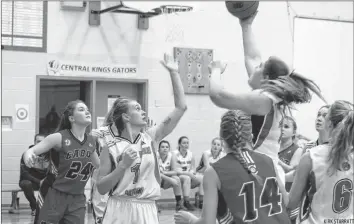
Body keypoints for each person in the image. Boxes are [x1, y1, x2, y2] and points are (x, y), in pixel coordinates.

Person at [207, 12, 325, 186]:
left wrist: (215, 70)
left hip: (257, 172)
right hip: (264, 169)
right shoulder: (270, 96)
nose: (254, 68)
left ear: (265, 78)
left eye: (259, 68)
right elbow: (252, 57)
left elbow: (218, 96)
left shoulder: (263, 100)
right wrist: (246, 25)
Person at [96, 53, 187, 224]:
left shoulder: (151, 137)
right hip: (119, 207)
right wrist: (122, 166)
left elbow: (181, 107)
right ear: (126, 117)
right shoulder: (110, 146)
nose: (143, 111)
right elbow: (101, 187)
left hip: (147, 207)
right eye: (137, 109)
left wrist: (174, 73)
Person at [174, 110, 290, 224]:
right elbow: (287, 201)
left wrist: (189, 219)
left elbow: (208, 222)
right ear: (251, 136)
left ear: (222, 139)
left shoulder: (214, 172)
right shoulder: (268, 161)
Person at [23, 100, 100, 224]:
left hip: (77, 197)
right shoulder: (59, 137)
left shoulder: (91, 141)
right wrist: (28, 155)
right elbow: (32, 150)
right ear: (71, 118)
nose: (87, 112)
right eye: (81, 109)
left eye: (87, 109)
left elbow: (100, 167)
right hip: (53, 194)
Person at [288, 100, 353, 223]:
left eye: (324, 116)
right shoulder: (310, 149)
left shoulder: (311, 156)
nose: (319, 118)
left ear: (329, 124)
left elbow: (291, 202)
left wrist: (277, 178)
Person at [277, 116, 302, 223]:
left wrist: (275, 159)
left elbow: (291, 171)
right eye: (280, 126)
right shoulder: (273, 147)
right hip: (273, 196)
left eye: (286, 127)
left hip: (288, 197)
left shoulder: (297, 149)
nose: (282, 129)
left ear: (293, 132)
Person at [17, 134, 49, 216]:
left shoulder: (49, 155)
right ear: (34, 142)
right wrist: (39, 181)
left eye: (42, 141)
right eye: (38, 141)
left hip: (43, 181)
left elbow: (52, 171)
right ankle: (35, 207)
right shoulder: (27, 154)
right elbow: (25, 174)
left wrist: (46, 180)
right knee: (26, 184)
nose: (40, 143)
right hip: (30, 181)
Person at [171, 136, 201, 211]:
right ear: (179, 144)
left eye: (187, 143)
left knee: (202, 178)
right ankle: (186, 202)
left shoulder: (191, 154)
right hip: (178, 175)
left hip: (188, 174)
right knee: (186, 178)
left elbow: (193, 168)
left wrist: (191, 173)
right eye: (184, 143)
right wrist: (189, 174)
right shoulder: (174, 154)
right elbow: (175, 170)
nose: (186, 144)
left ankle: (201, 201)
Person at [195, 137, 224, 209]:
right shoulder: (206, 153)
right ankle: (201, 200)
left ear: (221, 147)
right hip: (200, 173)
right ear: (211, 145)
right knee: (204, 178)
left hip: (213, 174)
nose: (216, 146)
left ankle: (220, 201)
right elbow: (207, 168)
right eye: (214, 144)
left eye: (218, 145)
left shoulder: (223, 155)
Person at [158, 140, 187, 211]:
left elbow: (175, 171)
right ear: (158, 149)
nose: (165, 148)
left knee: (176, 178)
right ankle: (154, 204)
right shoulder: (155, 156)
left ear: (169, 149)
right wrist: (167, 177)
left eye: (167, 147)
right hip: (156, 180)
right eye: (162, 147)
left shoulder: (171, 156)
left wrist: (165, 173)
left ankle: (179, 203)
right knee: (157, 178)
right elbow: (154, 173)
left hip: (165, 179)